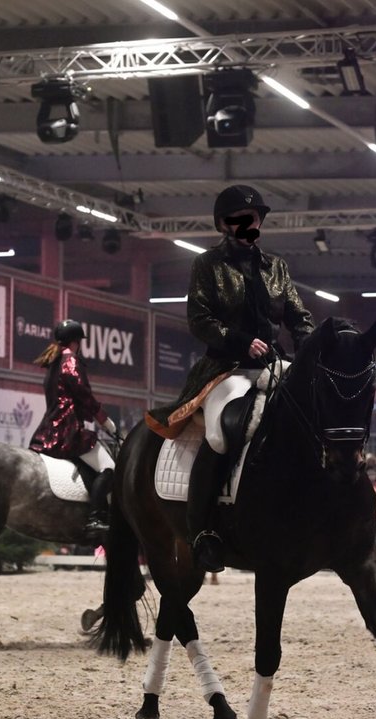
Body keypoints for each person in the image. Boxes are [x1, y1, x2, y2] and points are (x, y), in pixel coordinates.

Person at [145, 185, 316, 572]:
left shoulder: (276, 266)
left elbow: (297, 314)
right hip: (226, 369)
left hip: (273, 365)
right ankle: (203, 531)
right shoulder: (207, 265)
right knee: (223, 430)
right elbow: (200, 320)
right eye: (240, 217)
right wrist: (240, 342)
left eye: (254, 217)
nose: (249, 223)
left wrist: (308, 345)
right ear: (224, 224)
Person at [29, 319, 119, 540]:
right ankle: (95, 519)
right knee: (109, 468)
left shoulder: (54, 362)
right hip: (68, 432)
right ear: (77, 341)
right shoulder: (70, 362)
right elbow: (85, 396)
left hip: (47, 431)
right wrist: (105, 421)